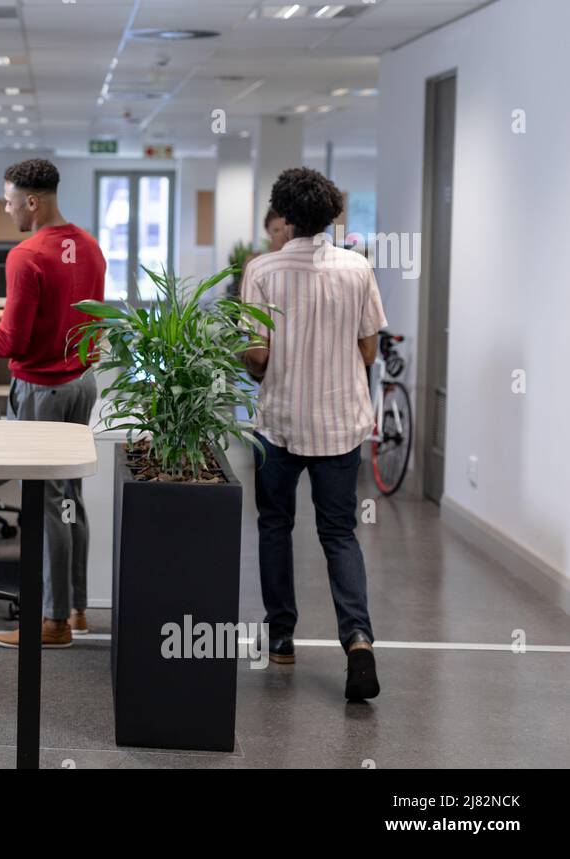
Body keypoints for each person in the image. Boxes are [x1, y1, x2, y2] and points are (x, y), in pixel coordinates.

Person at [241, 166, 385, 701]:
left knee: (276, 526)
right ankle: (359, 641)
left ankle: (282, 636)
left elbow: (257, 357)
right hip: (340, 424)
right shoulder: (357, 269)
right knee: (339, 533)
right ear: (331, 215)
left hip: (279, 423)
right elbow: (368, 350)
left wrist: (266, 364)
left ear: (283, 216)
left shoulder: (262, 271)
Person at [0, 158, 106, 649]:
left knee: (44, 505)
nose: (6, 206)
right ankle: (75, 609)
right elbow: (74, 317)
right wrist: (5, 317)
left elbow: (12, 344)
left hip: (41, 390)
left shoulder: (26, 254)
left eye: (10, 199)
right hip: (80, 384)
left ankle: (51, 621)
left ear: (32, 201)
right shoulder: (89, 248)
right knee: (68, 499)